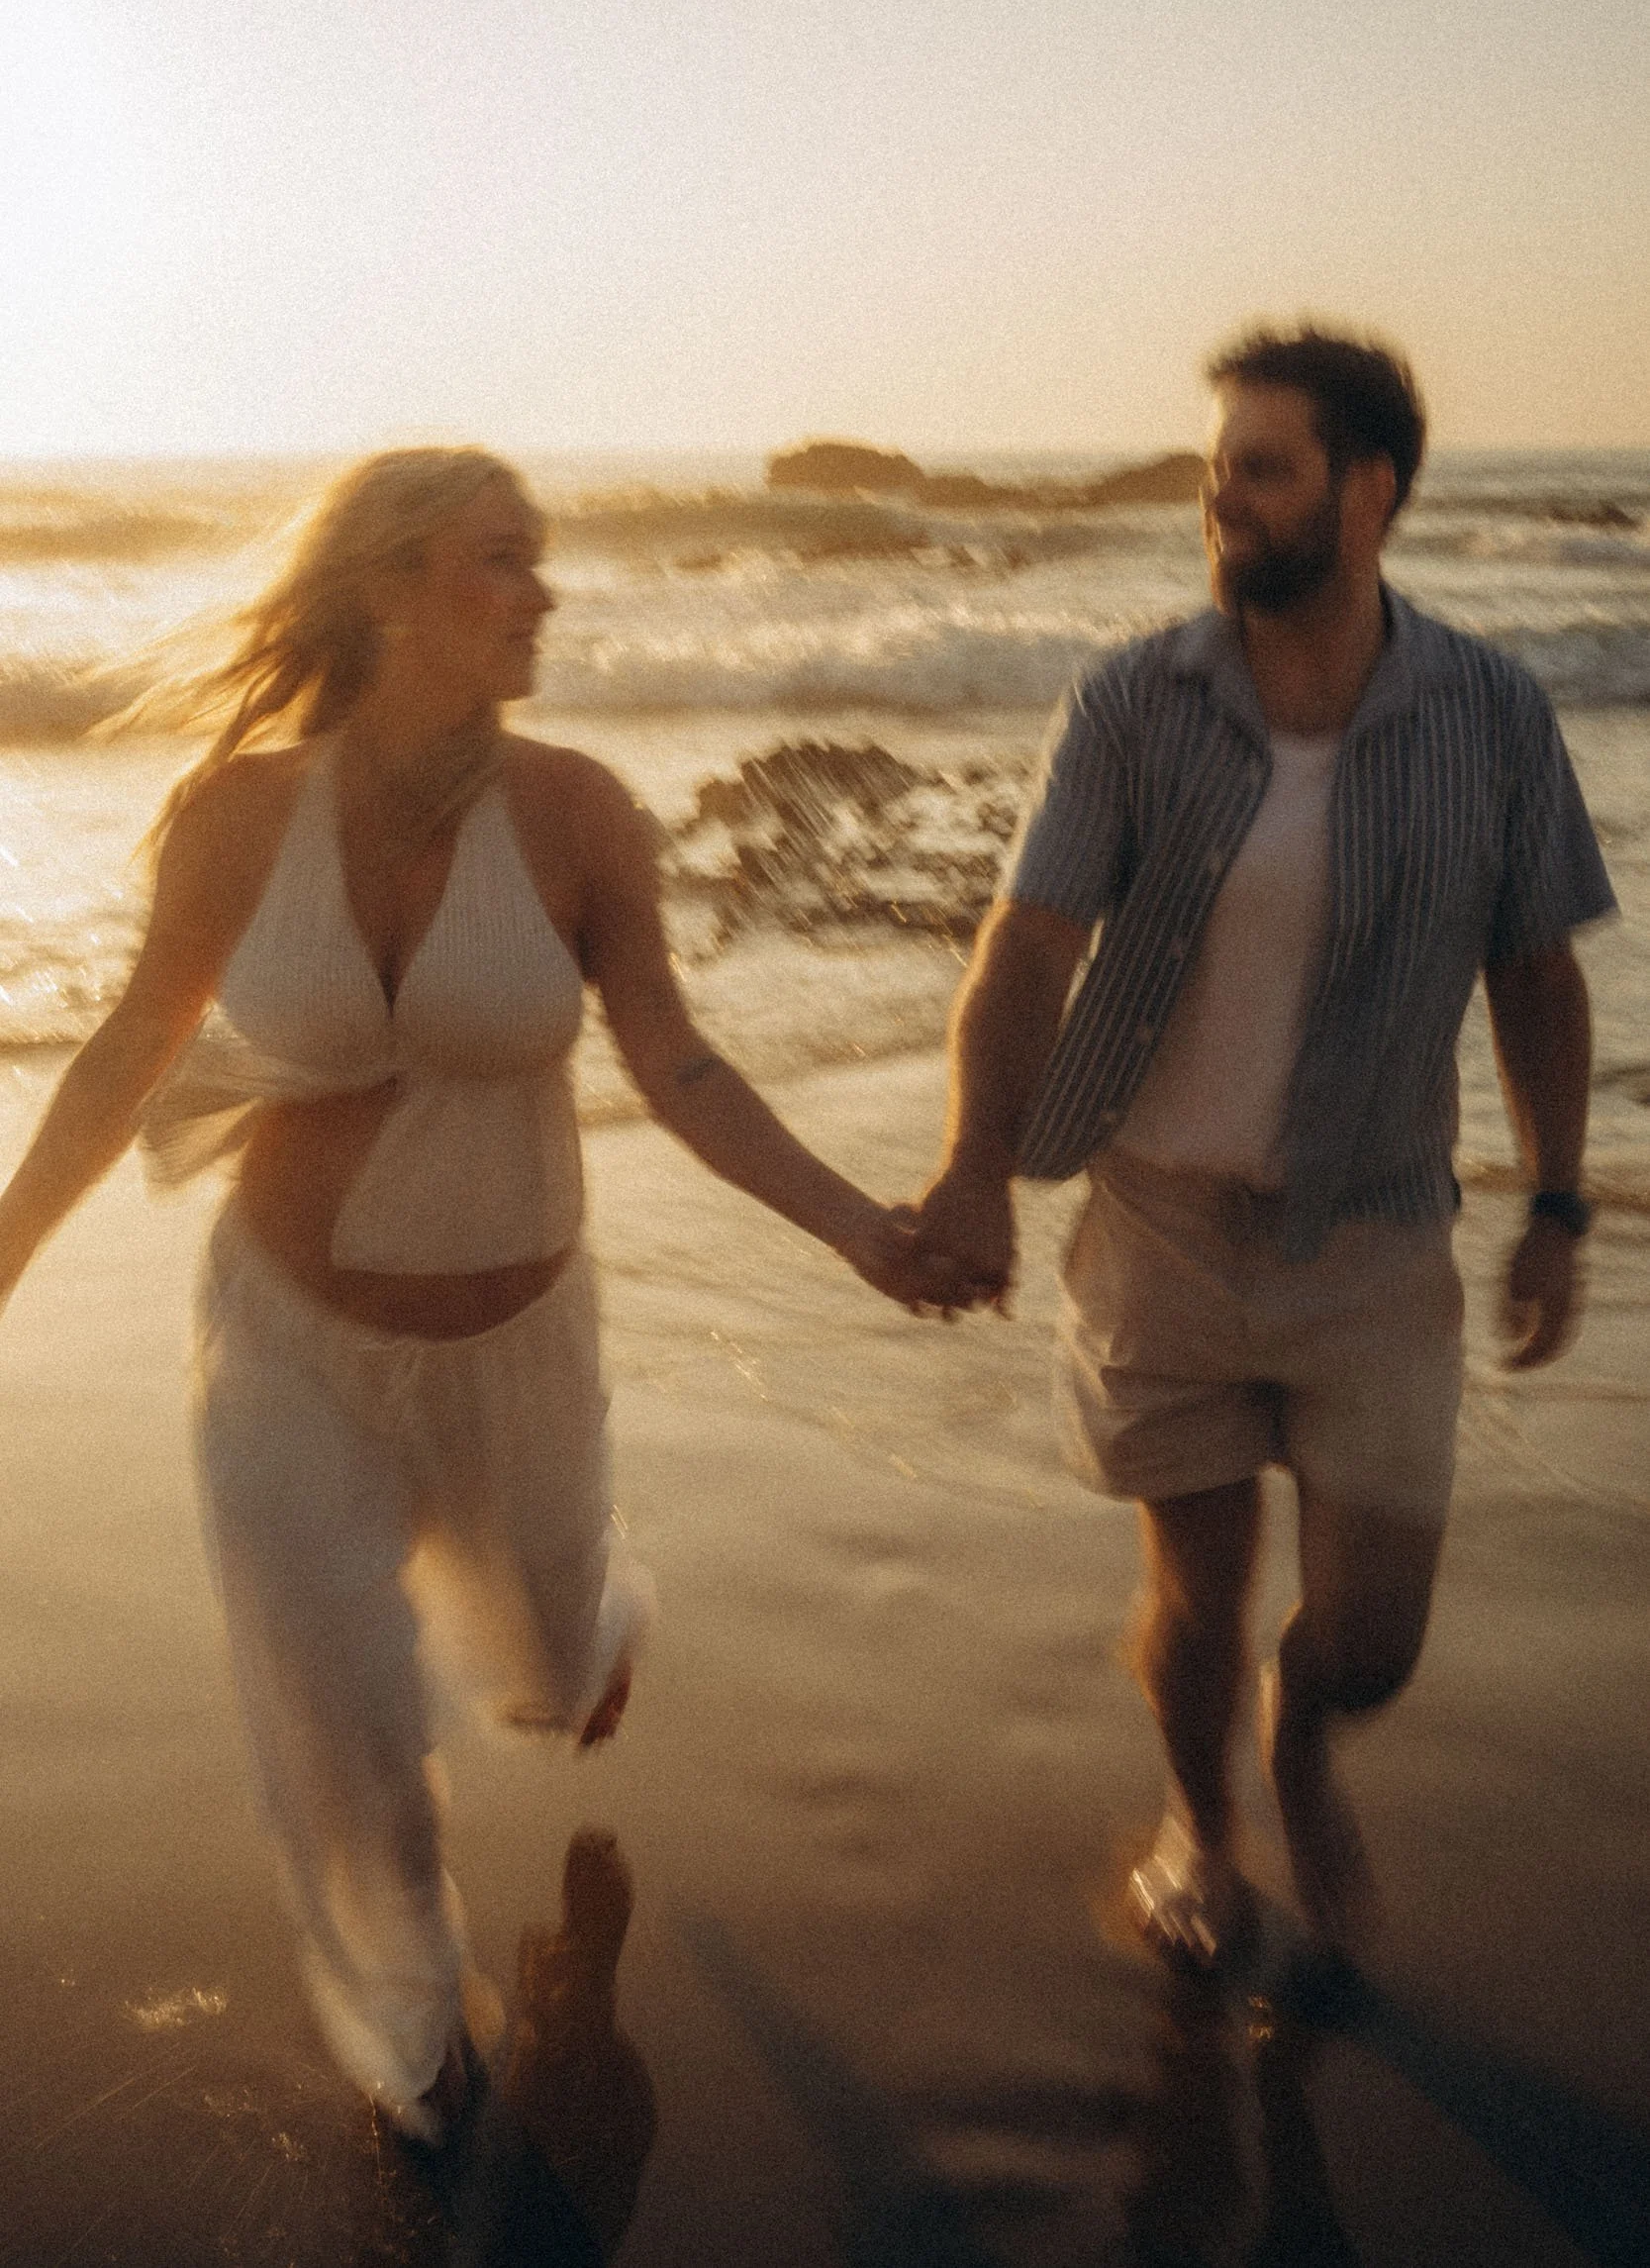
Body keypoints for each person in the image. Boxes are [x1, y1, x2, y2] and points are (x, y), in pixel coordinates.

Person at [0, 448, 948, 2143]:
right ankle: (426, 2058)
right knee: (350, 1753)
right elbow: (125, 1059)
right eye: (501, 560)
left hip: (519, 1350)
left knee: (548, 1679)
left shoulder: (580, 815)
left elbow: (677, 1065)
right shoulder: (233, 818)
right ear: (388, 586)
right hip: (286, 1347)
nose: (545, 592)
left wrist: (856, 1226)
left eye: (545, 559)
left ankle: (599, 1641)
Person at [909, 329, 1615, 1964]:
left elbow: (1535, 971)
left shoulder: (1491, 714)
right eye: (1216, 467)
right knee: (1196, 1603)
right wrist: (970, 1168)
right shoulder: (1133, 701)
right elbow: (1026, 946)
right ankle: (1203, 1835)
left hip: (1373, 1237)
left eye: (1263, 468)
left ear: (1367, 495)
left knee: (1368, 1637)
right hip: (1158, 1223)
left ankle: (1308, 1742)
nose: (1219, 499)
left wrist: (1558, 1206)